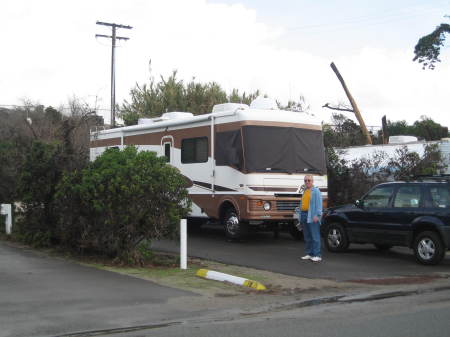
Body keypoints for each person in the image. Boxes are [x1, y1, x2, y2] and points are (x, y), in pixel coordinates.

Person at [296, 175, 323, 262]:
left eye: (309, 180)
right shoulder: (305, 191)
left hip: (312, 215)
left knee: (315, 235)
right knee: (307, 236)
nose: (307, 182)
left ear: (312, 181)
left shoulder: (316, 191)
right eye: (305, 180)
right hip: (303, 214)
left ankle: (317, 255)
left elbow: (319, 204)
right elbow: (302, 203)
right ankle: (309, 253)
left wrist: (317, 215)